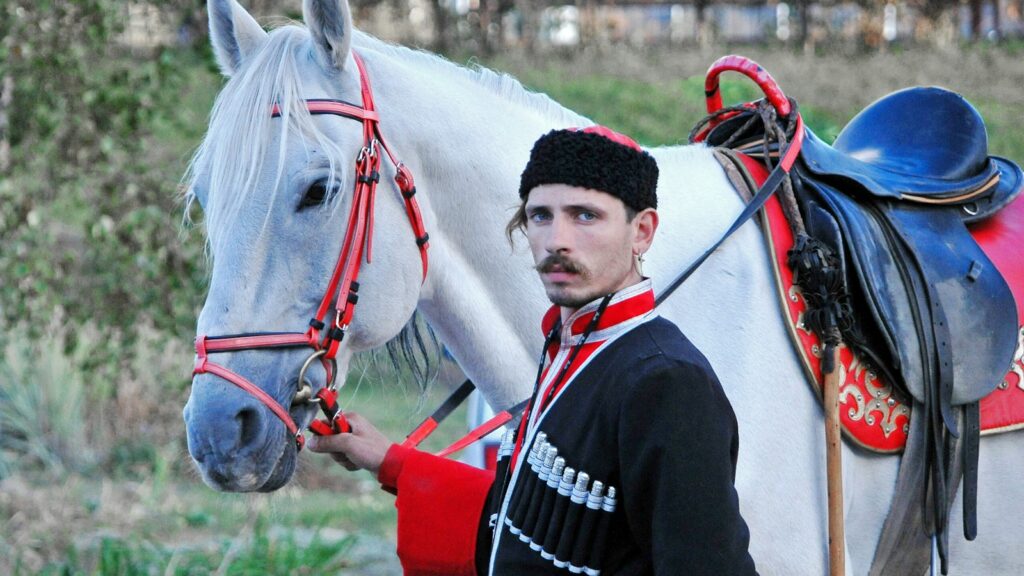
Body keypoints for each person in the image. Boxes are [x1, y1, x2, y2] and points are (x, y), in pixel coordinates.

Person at [309, 126, 757, 576]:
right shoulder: (568, 348)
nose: (556, 239)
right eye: (541, 215)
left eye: (585, 216)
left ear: (641, 232)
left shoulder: (667, 381)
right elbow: (535, 521)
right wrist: (392, 462)